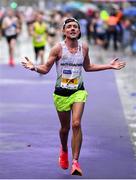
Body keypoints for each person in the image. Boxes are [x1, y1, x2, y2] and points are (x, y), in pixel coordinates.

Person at [22, 18, 126, 176]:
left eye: (75, 27)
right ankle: (64, 150)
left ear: (79, 31)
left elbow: (88, 67)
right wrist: (34, 67)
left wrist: (109, 66)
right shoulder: (58, 49)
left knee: (76, 123)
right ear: (64, 31)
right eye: (69, 27)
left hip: (78, 91)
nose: (72, 29)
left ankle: (75, 162)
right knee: (65, 129)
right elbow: (46, 68)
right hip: (61, 93)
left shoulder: (84, 47)